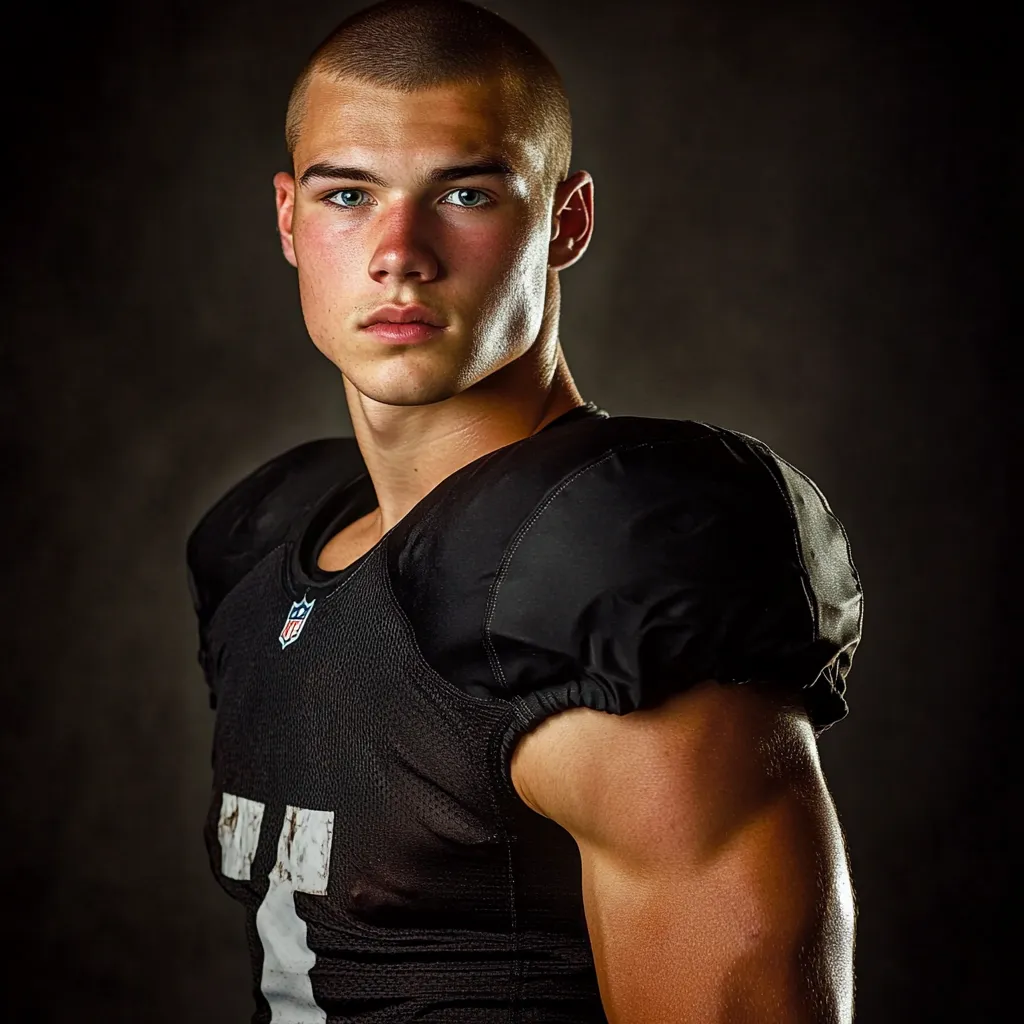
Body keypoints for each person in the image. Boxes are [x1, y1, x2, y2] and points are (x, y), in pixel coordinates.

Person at [186, 1, 863, 1021]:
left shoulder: (603, 562)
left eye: (464, 192)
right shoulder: (264, 546)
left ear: (566, 220)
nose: (399, 252)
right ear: (289, 219)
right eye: (348, 195)